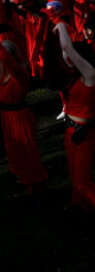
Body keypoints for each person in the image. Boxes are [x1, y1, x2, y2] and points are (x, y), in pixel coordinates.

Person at [53, 20, 95, 221]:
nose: (68, 59)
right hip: (70, 131)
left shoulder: (90, 76)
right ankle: (80, 205)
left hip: (84, 135)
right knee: (73, 177)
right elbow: (64, 53)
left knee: (82, 181)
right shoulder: (73, 75)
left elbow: (68, 49)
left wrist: (60, 25)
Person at [0, 40, 48, 196]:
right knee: (17, 156)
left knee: (29, 156)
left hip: (20, 119)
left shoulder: (20, 74)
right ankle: (30, 189)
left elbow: (9, 63)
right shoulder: (1, 76)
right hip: (7, 120)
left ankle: (39, 191)